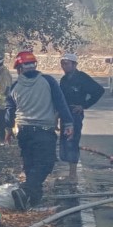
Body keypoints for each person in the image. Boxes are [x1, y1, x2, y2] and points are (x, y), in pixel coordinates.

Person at [5, 51, 73, 209]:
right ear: (35, 65)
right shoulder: (48, 81)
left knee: (30, 164)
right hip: (43, 131)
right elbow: (60, 102)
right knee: (45, 163)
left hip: (24, 131)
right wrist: (69, 124)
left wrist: (8, 129)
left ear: (19, 69)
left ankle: (32, 199)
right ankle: (25, 190)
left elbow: (9, 110)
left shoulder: (15, 87)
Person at [58, 52, 105, 182]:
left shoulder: (82, 77)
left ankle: (73, 175)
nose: (64, 66)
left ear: (74, 64)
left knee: (72, 141)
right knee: (65, 142)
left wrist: (84, 105)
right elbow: (60, 99)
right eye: (62, 63)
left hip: (75, 114)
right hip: (65, 114)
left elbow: (99, 91)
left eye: (66, 63)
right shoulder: (64, 80)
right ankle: (70, 173)